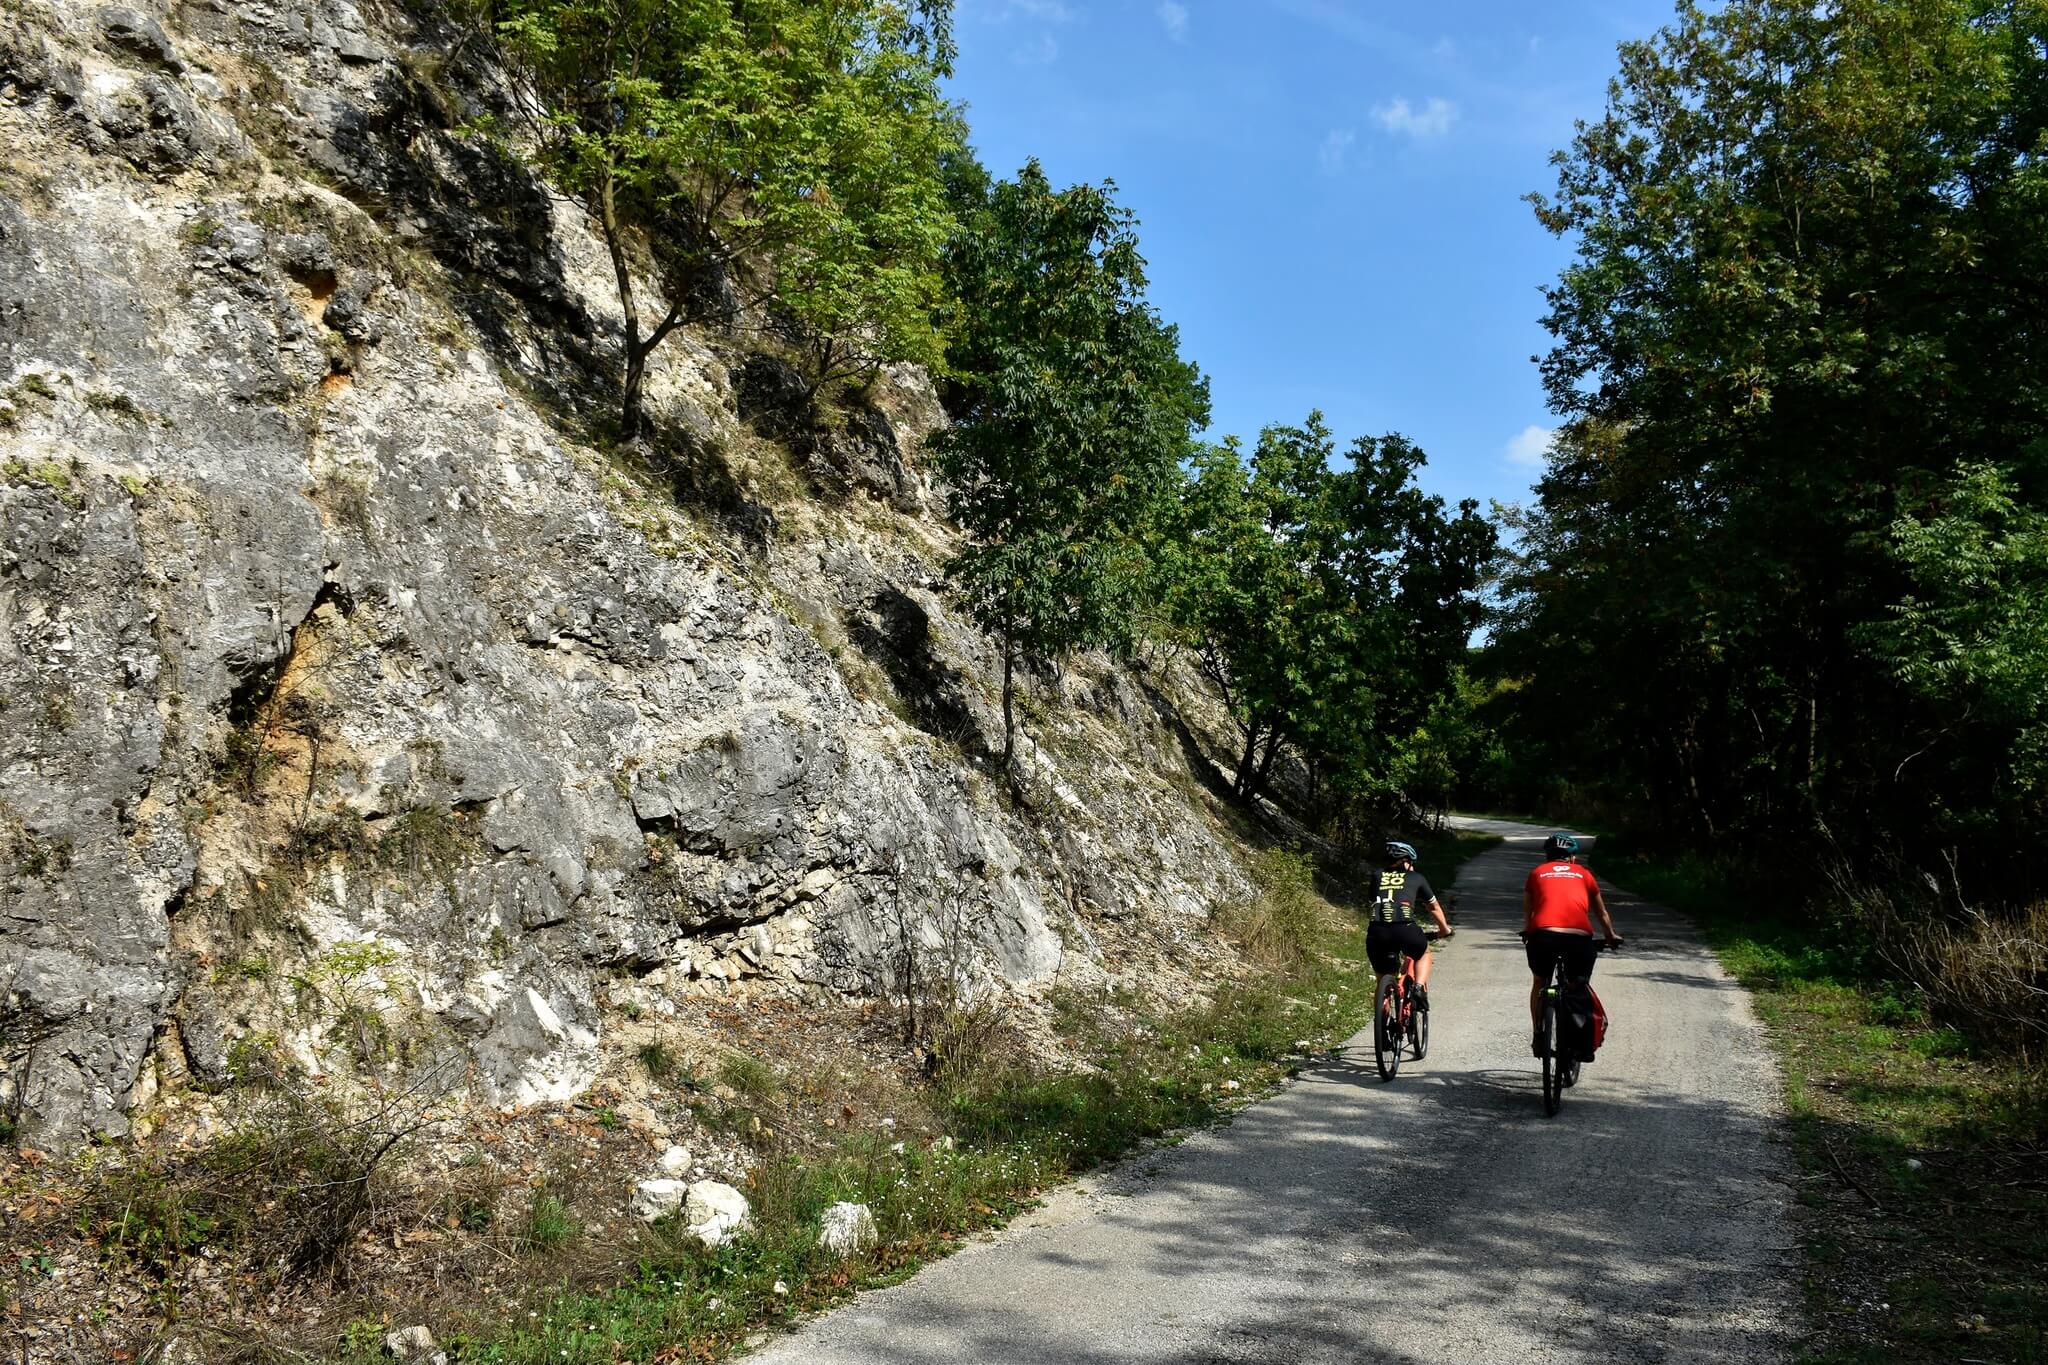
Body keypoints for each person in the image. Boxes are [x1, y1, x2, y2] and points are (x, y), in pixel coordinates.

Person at [1521, 832, 1622, 1056]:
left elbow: (1528, 909)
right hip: (1578, 939)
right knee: (1578, 985)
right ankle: (1579, 1041)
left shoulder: (1537, 872)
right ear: (1573, 858)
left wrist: (1529, 930)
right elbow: (1601, 913)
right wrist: (1611, 936)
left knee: (1540, 980)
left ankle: (1539, 1035)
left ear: (1547, 857)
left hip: (1543, 937)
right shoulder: (1584, 874)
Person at [1367, 840, 1454, 1009]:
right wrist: (1444, 930)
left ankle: (1383, 1021)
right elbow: (1434, 907)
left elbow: (1374, 903)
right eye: (1411, 863)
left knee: (1382, 981)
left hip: (1377, 932)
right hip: (1405, 928)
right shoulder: (1416, 877)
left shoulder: (1376, 876)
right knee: (1423, 954)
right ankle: (1419, 988)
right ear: (1406, 862)